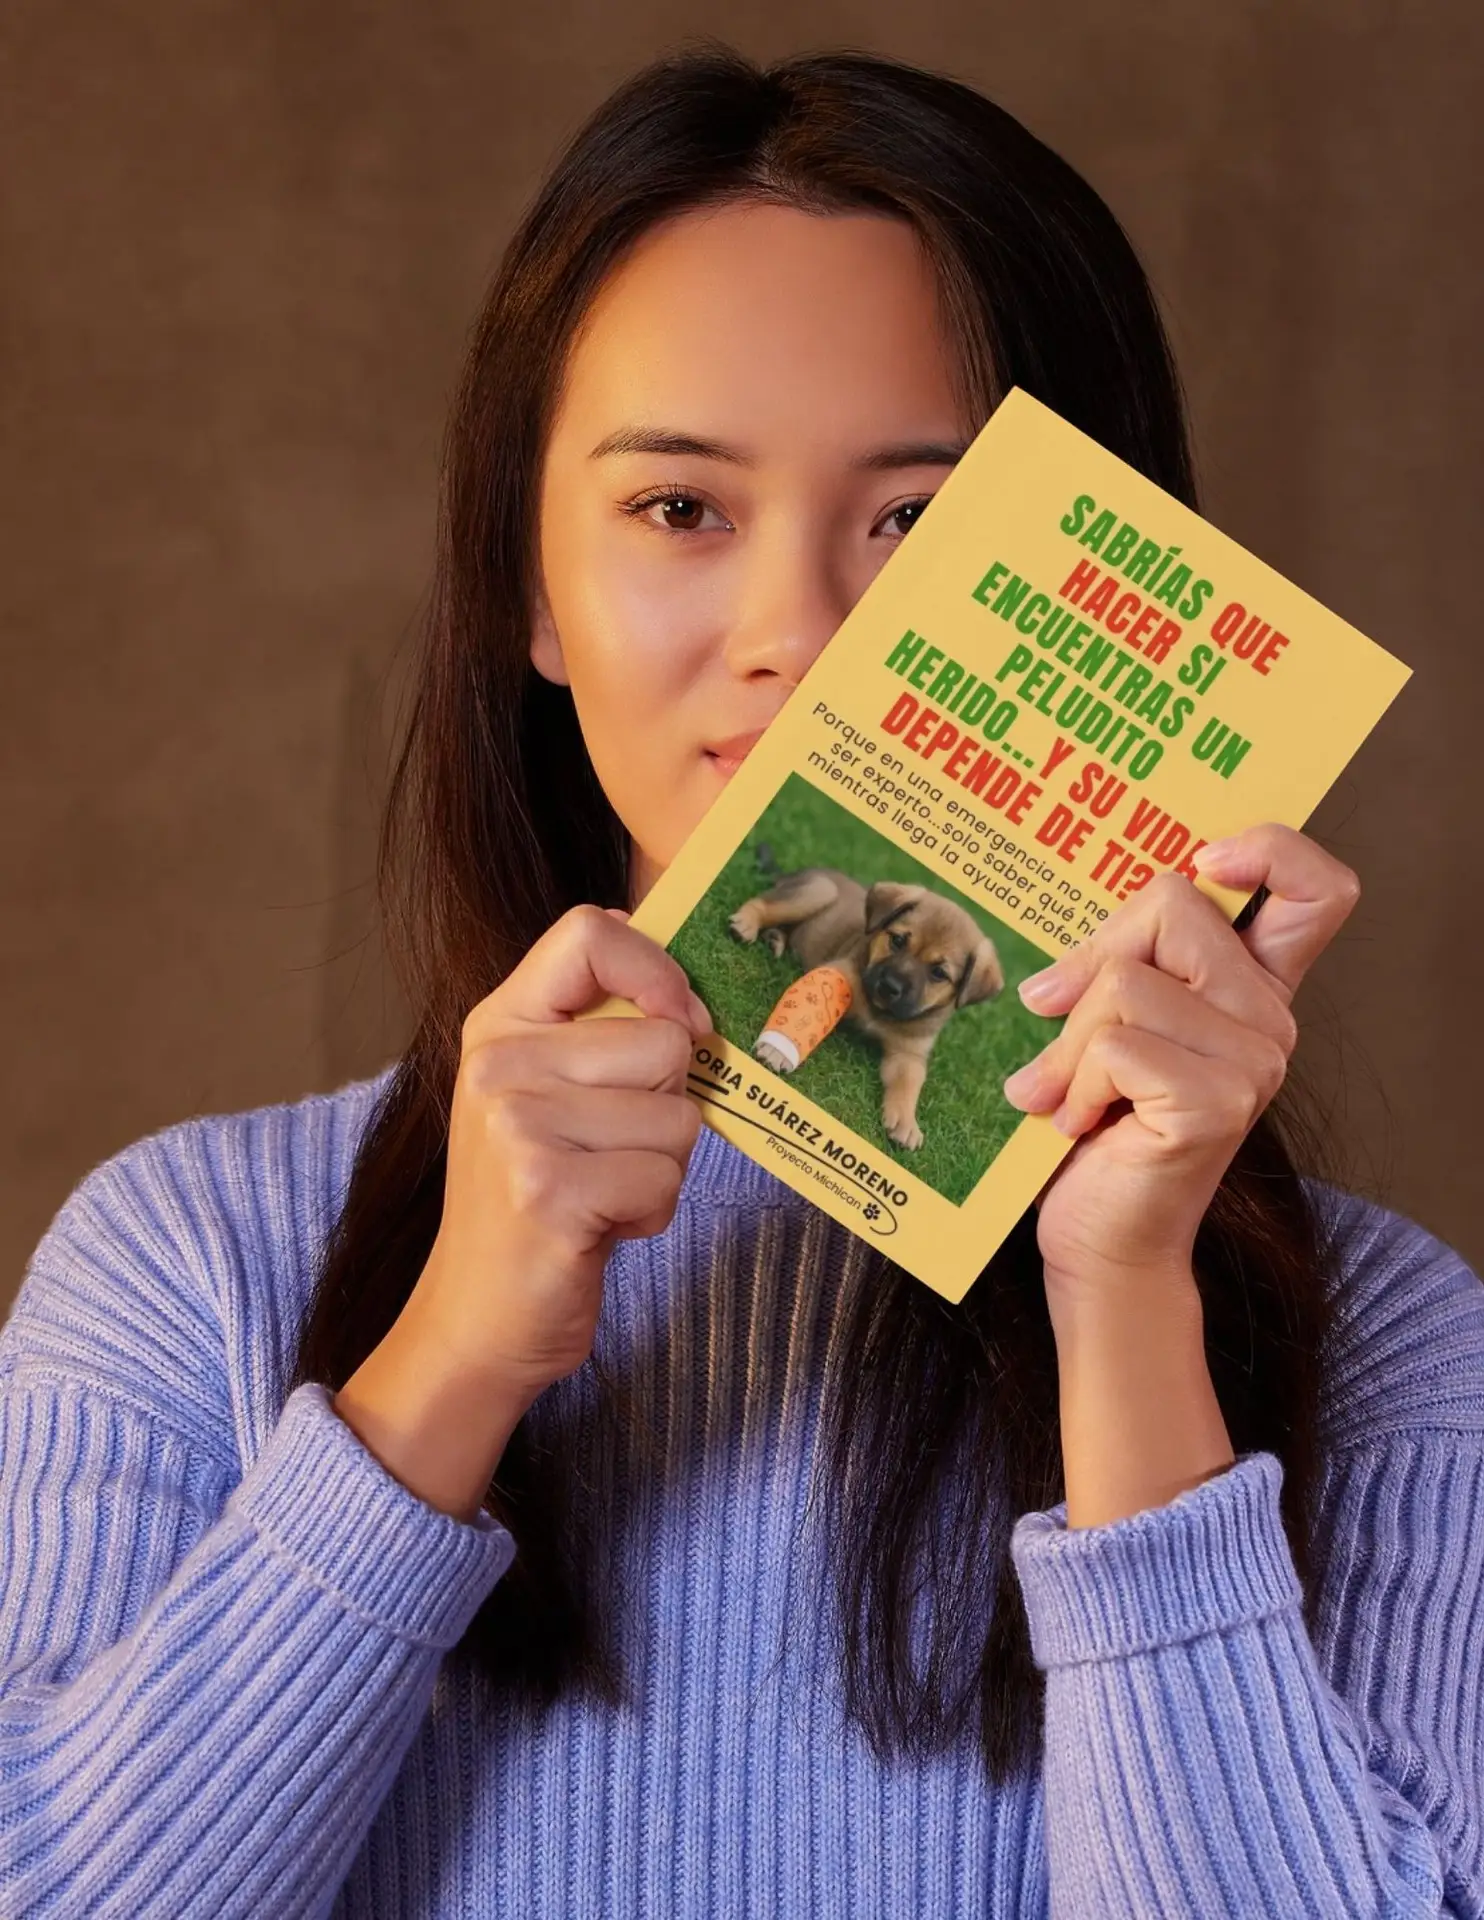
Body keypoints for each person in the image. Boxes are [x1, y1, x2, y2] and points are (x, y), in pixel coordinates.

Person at [1, 40, 1480, 1920]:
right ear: (532, 588)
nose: (802, 635)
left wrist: (1123, 1308)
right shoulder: (191, 1267)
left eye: (920, 527)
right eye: (681, 510)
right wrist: (445, 1364)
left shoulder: (1385, 1338)